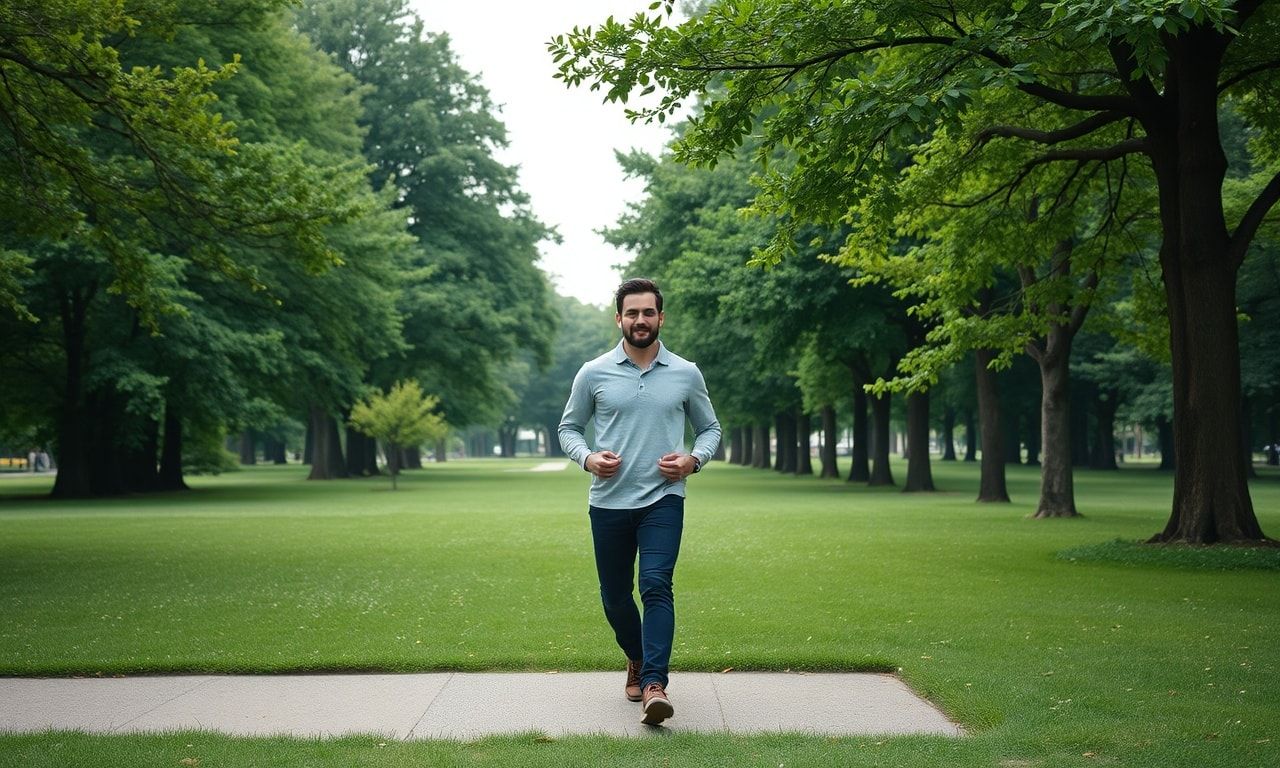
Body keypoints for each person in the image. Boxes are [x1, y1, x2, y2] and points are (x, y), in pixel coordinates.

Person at [558, 277, 721, 726]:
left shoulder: (686, 372)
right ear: (619, 319)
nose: (640, 320)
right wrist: (588, 458)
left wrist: (693, 460)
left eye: (648, 312)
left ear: (660, 317)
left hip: (663, 499)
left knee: (655, 584)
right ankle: (635, 656)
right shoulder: (593, 372)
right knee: (614, 597)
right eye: (632, 313)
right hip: (608, 502)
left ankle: (654, 684)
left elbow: (711, 429)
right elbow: (568, 429)